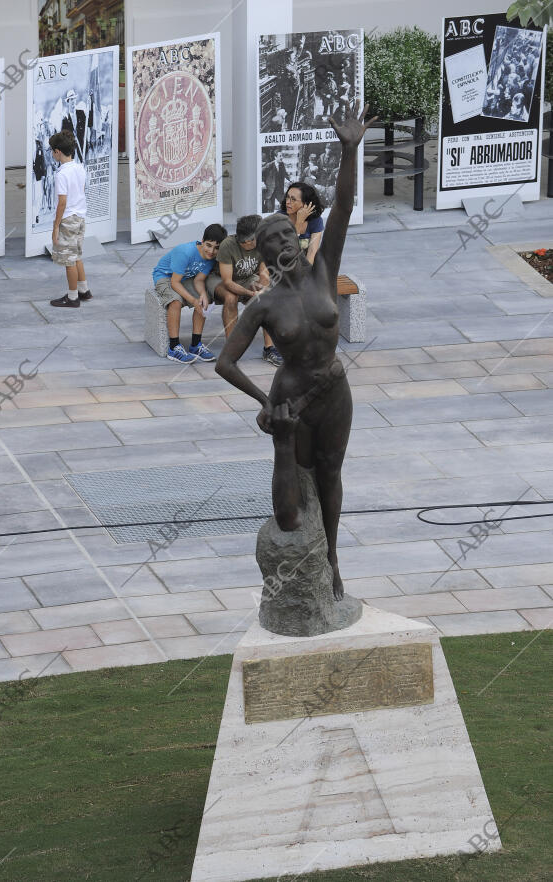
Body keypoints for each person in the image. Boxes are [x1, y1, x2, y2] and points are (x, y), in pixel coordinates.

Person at [216, 103, 376, 603]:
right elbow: (225, 361)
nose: (283, 245)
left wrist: (350, 150)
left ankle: (331, 559)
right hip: (293, 398)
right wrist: (265, 401)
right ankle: (306, 564)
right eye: (272, 245)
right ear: (263, 257)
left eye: (287, 235)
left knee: (332, 474)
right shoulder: (265, 305)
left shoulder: (325, 269)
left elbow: (344, 207)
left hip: (335, 392)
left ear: (297, 236)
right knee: (301, 483)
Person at [207, 215, 283, 366]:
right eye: (242, 242)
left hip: (247, 277)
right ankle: (231, 349)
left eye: (248, 242)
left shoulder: (264, 243)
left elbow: (264, 274)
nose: (245, 244)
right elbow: (228, 281)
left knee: (266, 299)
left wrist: (261, 289)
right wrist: (249, 293)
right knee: (231, 298)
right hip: (220, 279)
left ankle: (269, 349)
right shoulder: (228, 245)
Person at [152, 224, 227, 363]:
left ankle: (195, 345)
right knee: (175, 301)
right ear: (202, 240)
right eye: (209, 245)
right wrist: (192, 300)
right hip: (165, 276)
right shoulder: (185, 252)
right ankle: (174, 347)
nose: (211, 251)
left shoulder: (210, 258)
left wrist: (203, 294)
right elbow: (175, 282)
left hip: (185, 278)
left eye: (216, 248)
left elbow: (199, 280)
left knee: (205, 300)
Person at [47, 130, 91, 309]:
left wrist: (56, 226)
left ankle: (73, 297)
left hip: (68, 220)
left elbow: (62, 202)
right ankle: (83, 290)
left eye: (52, 150)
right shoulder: (79, 167)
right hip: (80, 217)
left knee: (68, 260)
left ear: (57, 152)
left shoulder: (61, 174)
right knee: (77, 255)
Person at [280, 182, 324, 265]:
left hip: (304, 267)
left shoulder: (316, 221)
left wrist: (306, 274)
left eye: (293, 199)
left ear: (306, 204)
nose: (288, 202)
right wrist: (299, 222)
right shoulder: (279, 218)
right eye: (288, 197)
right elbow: (288, 250)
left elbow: (312, 252)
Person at [61, 88, 93, 163]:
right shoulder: (65, 120)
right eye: (71, 100)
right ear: (68, 102)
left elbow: (90, 123)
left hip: (83, 150)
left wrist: (91, 104)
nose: (73, 102)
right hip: (71, 155)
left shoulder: (81, 113)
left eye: (74, 99)